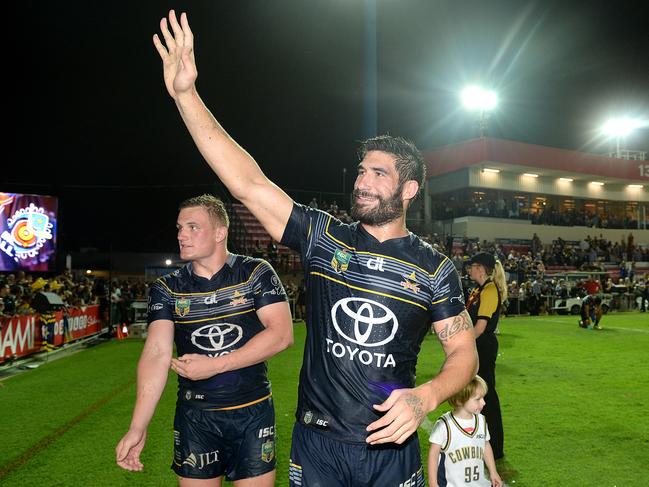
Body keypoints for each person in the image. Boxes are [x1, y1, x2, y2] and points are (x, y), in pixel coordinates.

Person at [152, 11, 478, 487]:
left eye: (378, 174)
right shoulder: (324, 237)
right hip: (318, 445)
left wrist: (424, 397)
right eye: (361, 171)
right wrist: (186, 95)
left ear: (409, 190)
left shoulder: (434, 268)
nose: (363, 182)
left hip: (392, 447)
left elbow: (463, 350)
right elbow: (248, 184)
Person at [115, 195, 293, 486]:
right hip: (195, 418)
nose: (181, 235)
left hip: (253, 413)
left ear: (220, 233)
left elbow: (282, 335)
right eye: (179, 227)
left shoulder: (254, 272)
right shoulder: (167, 288)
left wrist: (217, 365)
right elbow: (157, 353)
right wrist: (138, 426)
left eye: (193, 227)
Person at [465, 252, 507, 460]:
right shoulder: (479, 289)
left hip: (483, 346)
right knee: (478, 394)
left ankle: (495, 448)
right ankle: (482, 442)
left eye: (472, 266)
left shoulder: (489, 290)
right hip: (478, 345)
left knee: (487, 396)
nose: (469, 270)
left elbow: (480, 327)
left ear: (481, 268)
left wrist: (461, 345)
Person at [428, 375, 502, 487]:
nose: (483, 403)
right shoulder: (444, 425)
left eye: (483, 398)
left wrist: (493, 471)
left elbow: (485, 445)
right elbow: (433, 454)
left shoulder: (481, 420)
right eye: (477, 399)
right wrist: (433, 482)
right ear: (459, 400)